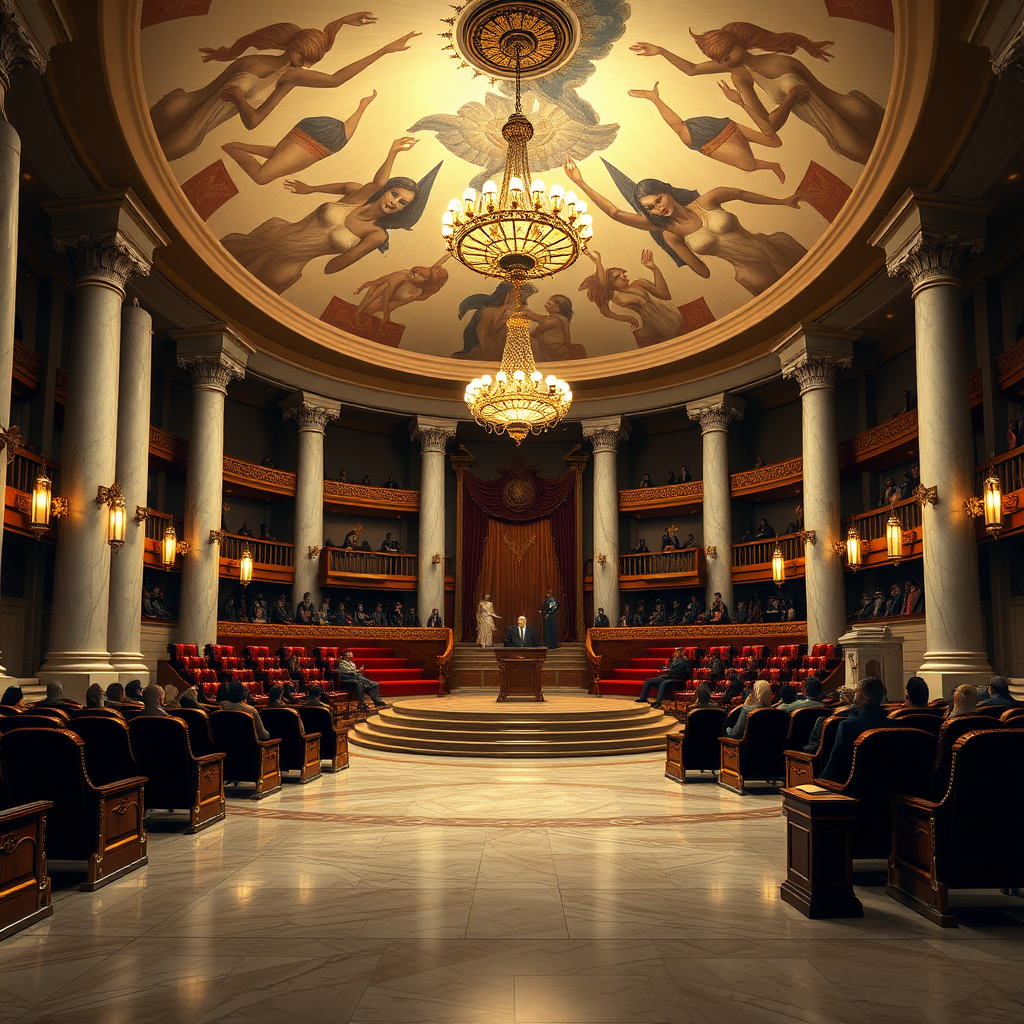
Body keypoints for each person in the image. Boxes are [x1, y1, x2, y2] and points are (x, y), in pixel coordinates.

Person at [148, 14, 416, 161]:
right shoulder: (253, 61)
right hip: (178, 108)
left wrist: (382, 49)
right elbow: (209, 92)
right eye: (306, 58)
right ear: (294, 47)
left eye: (311, 61)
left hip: (193, 127)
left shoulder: (289, 77)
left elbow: (337, 79)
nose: (307, 66)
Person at [631, 24, 884, 165]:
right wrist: (662, 51)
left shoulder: (773, 61)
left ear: (740, 44)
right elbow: (768, 128)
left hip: (852, 108)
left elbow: (693, 70)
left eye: (726, 54)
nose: (723, 61)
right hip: (835, 127)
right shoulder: (740, 75)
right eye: (719, 59)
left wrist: (788, 98)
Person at [564, 158, 808, 297]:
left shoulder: (709, 200)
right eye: (650, 208)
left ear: (667, 192)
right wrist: (580, 182)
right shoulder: (670, 235)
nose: (658, 209)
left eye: (658, 200)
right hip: (751, 274)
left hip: (772, 247)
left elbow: (742, 194)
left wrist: (783, 201)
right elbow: (615, 213)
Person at [222, 136, 437, 294]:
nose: (394, 202)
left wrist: (352, 255)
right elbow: (361, 184)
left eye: (402, 203)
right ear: (387, 190)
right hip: (271, 234)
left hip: (287, 266)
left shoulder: (377, 235)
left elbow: (331, 268)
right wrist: (311, 188)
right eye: (395, 193)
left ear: (404, 210)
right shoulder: (359, 195)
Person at [628, 80, 786, 181]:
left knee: (749, 165)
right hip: (724, 126)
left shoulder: (689, 137)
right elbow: (678, 125)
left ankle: (773, 166)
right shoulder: (687, 134)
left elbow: (678, 125)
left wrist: (655, 99)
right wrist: (740, 103)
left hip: (712, 139)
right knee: (773, 143)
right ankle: (773, 166)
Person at [819, 677, 893, 782]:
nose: (854, 695)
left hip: (853, 785)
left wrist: (820, 782)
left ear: (865, 697)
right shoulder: (895, 724)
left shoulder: (847, 726)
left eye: (856, 692)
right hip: (885, 783)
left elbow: (836, 765)